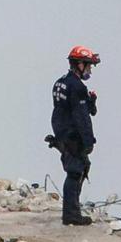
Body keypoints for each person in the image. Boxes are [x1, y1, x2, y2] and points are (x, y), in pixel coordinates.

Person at [49, 45, 100, 226]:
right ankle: (71, 215)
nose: (90, 69)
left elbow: (79, 109)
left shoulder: (60, 82)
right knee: (75, 171)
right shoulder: (77, 87)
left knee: (80, 167)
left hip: (61, 130)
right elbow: (82, 116)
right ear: (79, 64)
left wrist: (90, 102)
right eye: (88, 65)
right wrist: (88, 140)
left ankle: (72, 211)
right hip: (72, 134)